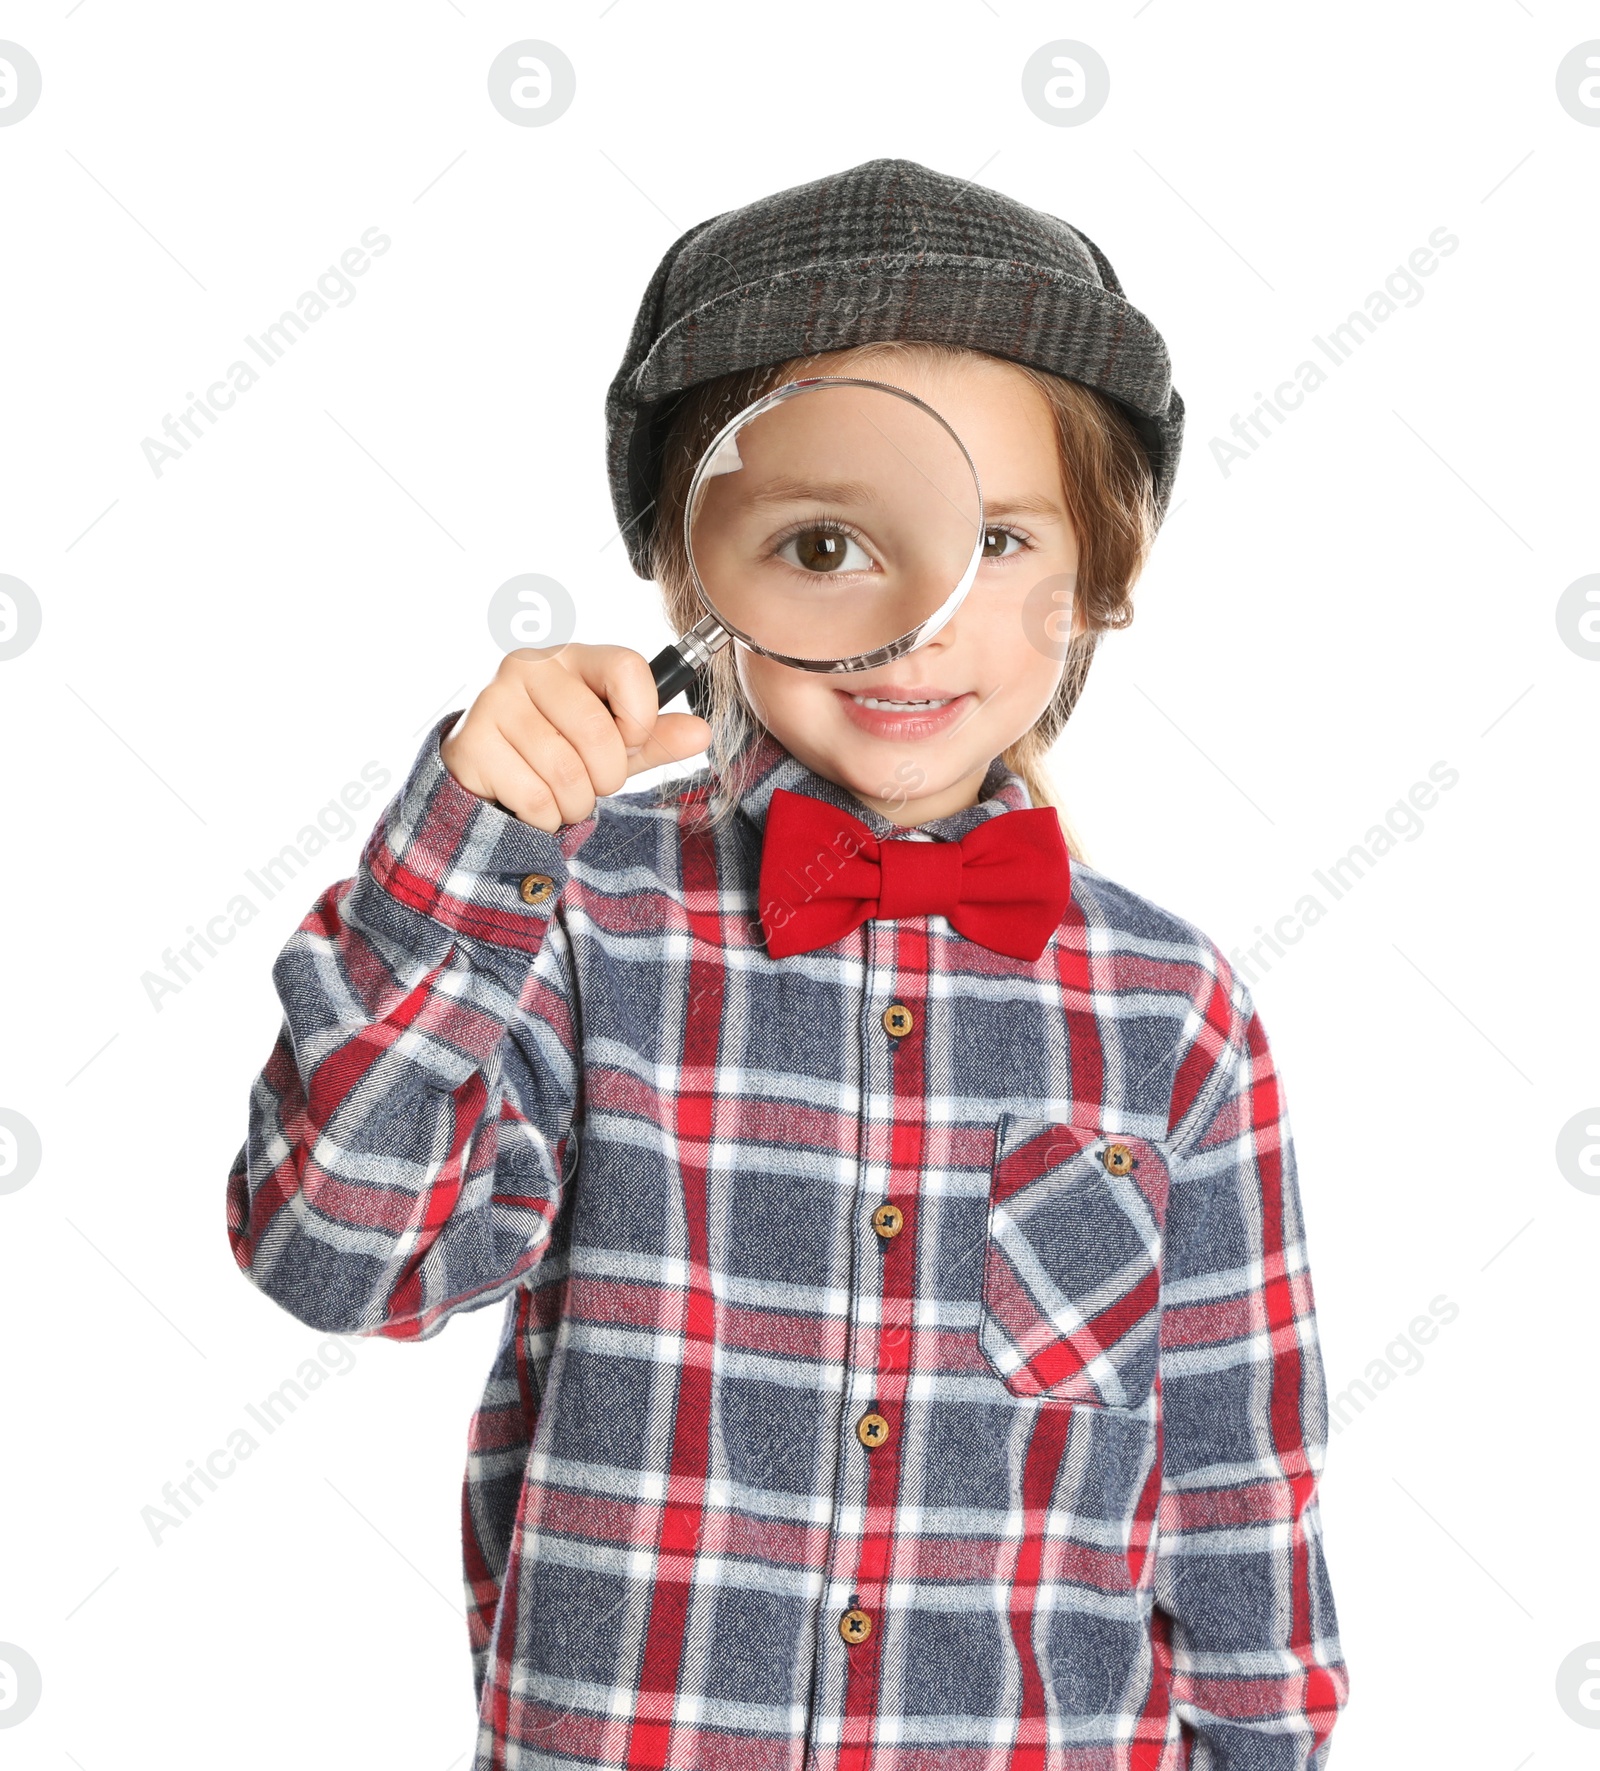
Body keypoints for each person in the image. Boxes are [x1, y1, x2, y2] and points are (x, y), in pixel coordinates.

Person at [227, 157, 1350, 1770]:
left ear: (1102, 578)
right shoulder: (573, 920)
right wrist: (471, 846)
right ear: (695, 579)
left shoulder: (1174, 1016)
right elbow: (333, 1254)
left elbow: (1239, 1491)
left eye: (1004, 540)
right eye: (825, 546)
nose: (915, 620)